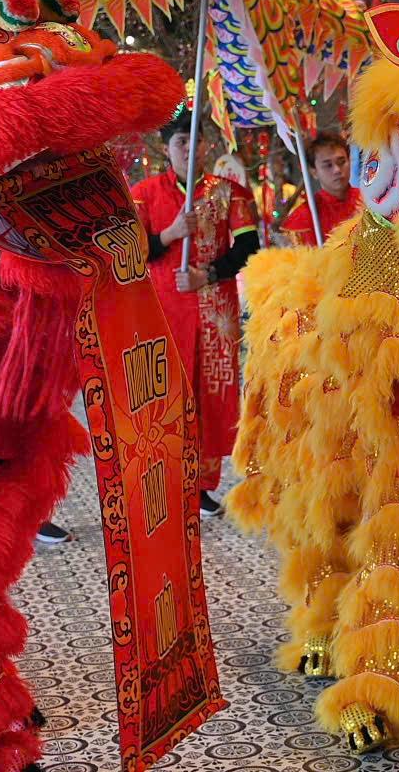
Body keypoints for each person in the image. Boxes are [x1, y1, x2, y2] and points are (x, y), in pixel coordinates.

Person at [131, 110, 257, 517]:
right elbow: (133, 250)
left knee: (211, 397)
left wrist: (208, 274)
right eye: (179, 142)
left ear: (205, 145)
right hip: (163, 311)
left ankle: (202, 485)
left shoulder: (231, 192)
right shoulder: (145, 193)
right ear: (166, 149)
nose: (188, 147)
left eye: (193, 140)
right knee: (166, 396)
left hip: (215, 314)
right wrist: (169, 235)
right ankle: (166, 482)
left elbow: (248, 246)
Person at [278, 133, 359, 244]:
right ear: (314, 171)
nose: (337, 170)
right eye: (328, 165)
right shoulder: (304, 217)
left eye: (341, 162)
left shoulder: (369, 201)